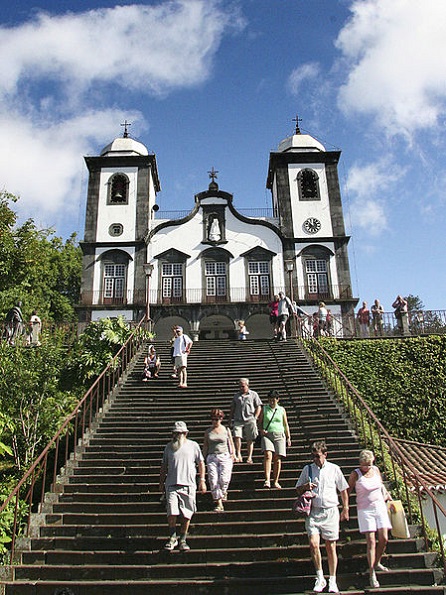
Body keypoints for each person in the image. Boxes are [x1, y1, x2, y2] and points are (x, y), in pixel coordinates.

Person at [295, 440, 349, 594]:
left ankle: (332, 579)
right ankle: (320, 576)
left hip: (331, 510)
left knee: (330, 546)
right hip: (314, 511)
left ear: (325, 455)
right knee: (313, 543)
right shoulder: (308, 469)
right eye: (313, 457)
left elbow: (343, 489)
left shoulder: (334, 469)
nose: (316, 460)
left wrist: (345, 508)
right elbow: (298, 489)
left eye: (318, 456)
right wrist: (306, 487)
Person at [159, 421, 207, 551]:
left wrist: (202, 480)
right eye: (175, 433)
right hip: (172, 484)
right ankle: (172, 537)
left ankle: (183, 538)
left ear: (185, 433)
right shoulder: (169, 447)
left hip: (188, 484)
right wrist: (161, 483)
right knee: (171, 512)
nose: (177, 435)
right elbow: (164, 466)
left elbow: (201, 463)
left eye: (180, 433)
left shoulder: (193, 446)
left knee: (187, 514)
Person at [348, 450, 393, 589]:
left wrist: (388, 496)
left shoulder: (376, 470)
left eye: (368, 464)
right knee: (371, 541)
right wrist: (345, 506)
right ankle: (372, 573)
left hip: (379, 506)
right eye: (364, 464)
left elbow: (381, 486)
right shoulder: (356, 474)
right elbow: (348, 490)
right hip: (365, 509)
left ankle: (377, 562)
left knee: (384, 538)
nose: (366, 467)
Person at [203, 408, 235, 512]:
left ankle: (223, 492)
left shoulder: (226, 430)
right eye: (213, 419)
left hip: (224, 456)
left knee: (224, 479)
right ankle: (219, 502)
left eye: (217, 419)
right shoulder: (208, 432)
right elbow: (205, 446)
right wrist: (202, 459)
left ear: (221, 419)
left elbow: (230, 443)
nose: (215, 421)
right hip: (212, 456)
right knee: (213, 480)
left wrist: (233, 454)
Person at [258, 390, 291, 489]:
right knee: (268, 454)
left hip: (279, 434)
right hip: (267, 434)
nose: (272, 402)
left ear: (277, 400)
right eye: (270, 400)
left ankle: (276, 481)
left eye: (273, 400)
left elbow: (285, 424)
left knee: (277, 458)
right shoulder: (264, 409)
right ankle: (267, 479)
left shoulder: (281, 410)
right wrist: (261, 430)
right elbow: (259, 422)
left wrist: (288, 436)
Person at [230, 378, 262, 464]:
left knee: (250, 439)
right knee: (237, 436)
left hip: (250, 418)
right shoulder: (236, 396)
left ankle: (249, 456)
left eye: (243, 386)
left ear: (247, 386)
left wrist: (256, 417)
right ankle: (238, 454)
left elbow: (259, 406)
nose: (241, 388)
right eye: (240, 386)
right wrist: (230, 419)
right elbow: (232, 408)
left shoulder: (253, 394)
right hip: (238, 419)